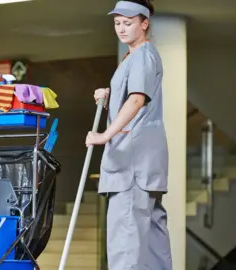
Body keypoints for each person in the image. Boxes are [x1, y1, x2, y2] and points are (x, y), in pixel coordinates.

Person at [85, 0, 173, 269]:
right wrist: (111, 95)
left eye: (128, 23)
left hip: (131, 167)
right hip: (144, 166)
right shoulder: (135, 57)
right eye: (117, 23)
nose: (121, 29)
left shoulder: (143, 55)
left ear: (144, 23)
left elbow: (136, 100)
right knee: (152, 249)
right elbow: (133, 93)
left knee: (126, 246)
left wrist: (103, 135)